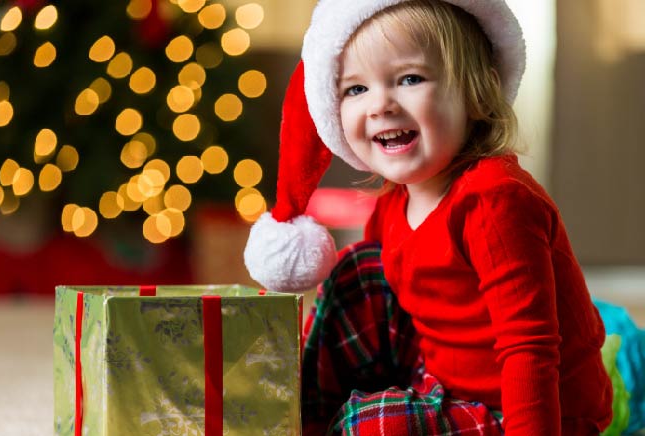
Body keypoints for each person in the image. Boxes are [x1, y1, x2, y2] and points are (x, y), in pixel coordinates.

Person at [244, 0, 614, 434]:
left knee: (371, 425)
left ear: (477, 94)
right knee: (359, 272)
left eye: (410, 79)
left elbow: (528, 347)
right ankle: (304, 418)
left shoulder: (495, 201)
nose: (381, 104)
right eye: (356, 89)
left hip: (532, 411)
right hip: (445, 377)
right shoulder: (394, 202)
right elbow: (376, 312)